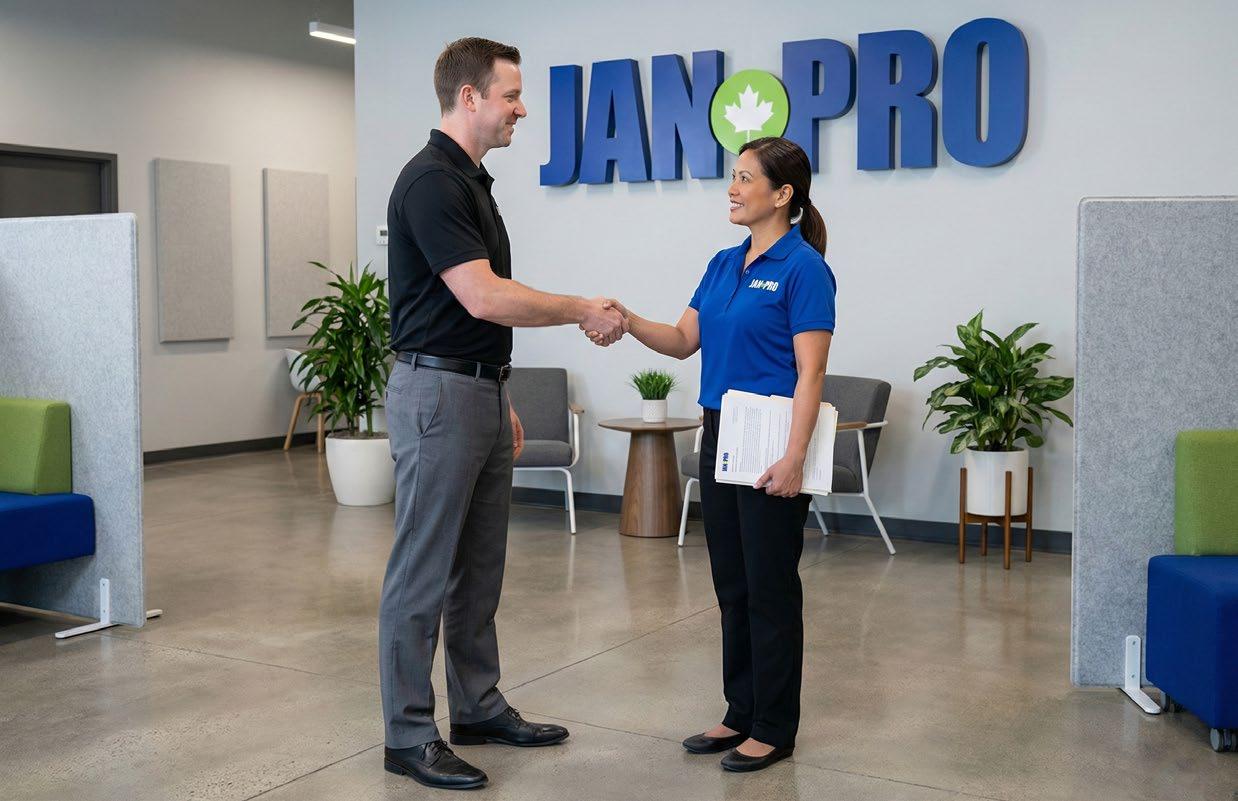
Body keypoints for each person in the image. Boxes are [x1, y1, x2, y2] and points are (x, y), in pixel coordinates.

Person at [379, 37, 627, 791]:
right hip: (438, 396)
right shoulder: (431, 181)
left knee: (478, 568)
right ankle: (408, 735)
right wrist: (580, 307)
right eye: (511, 95)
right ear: (470, 98)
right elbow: (483, 296)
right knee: (422, 571)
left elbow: (469, 316)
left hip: (477, 391)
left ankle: (478, 706)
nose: (522, 109)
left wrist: (501, 392)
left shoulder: (471, 182)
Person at [589, 137, 835, 772]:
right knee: (732, 582)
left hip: (773, 435)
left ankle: (774, 727)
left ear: (782, 195)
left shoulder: (804, 268)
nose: (732, 188)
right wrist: (628, 319)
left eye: (745, 178)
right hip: (721, 431)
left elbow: (811, 374)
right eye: (733, 176)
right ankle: (740, 711)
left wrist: (795, 456)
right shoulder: (723, 264)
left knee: (770, 586)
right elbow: (681, 340)